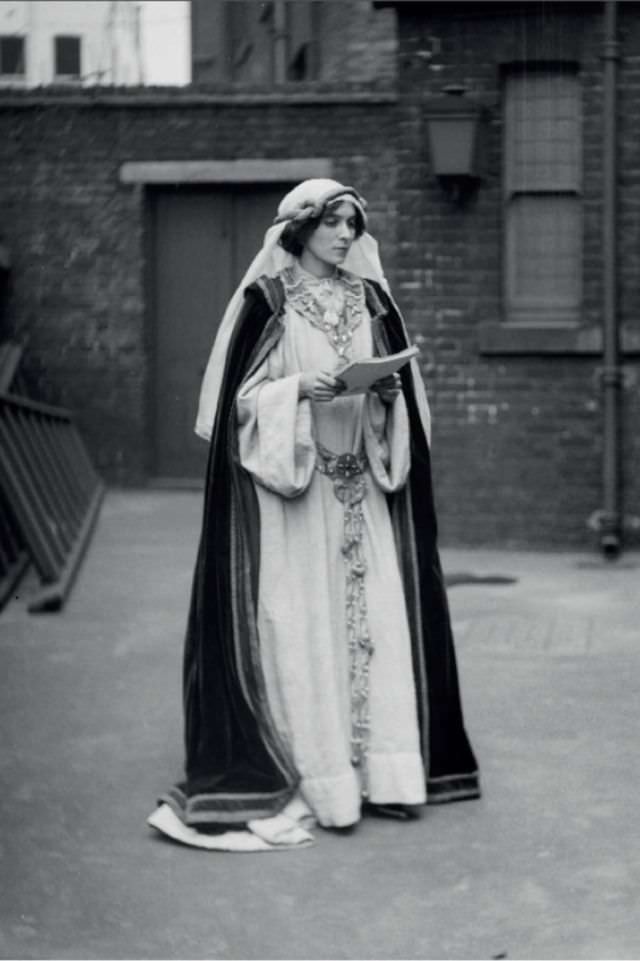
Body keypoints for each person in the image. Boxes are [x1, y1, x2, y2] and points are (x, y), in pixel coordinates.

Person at [148, 179, 480, 851]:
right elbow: (240, 402)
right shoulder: (266, 302)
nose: (346, 236)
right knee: (301, 627)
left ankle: (380, 776)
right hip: (295, 495)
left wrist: (384, 394)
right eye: (333, 223)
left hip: (361, 495)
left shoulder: (371, 299)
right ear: (300, 229)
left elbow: (403, 406)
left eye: (354, 225)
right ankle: (320, 779)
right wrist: (303, 388)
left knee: (375, 625)